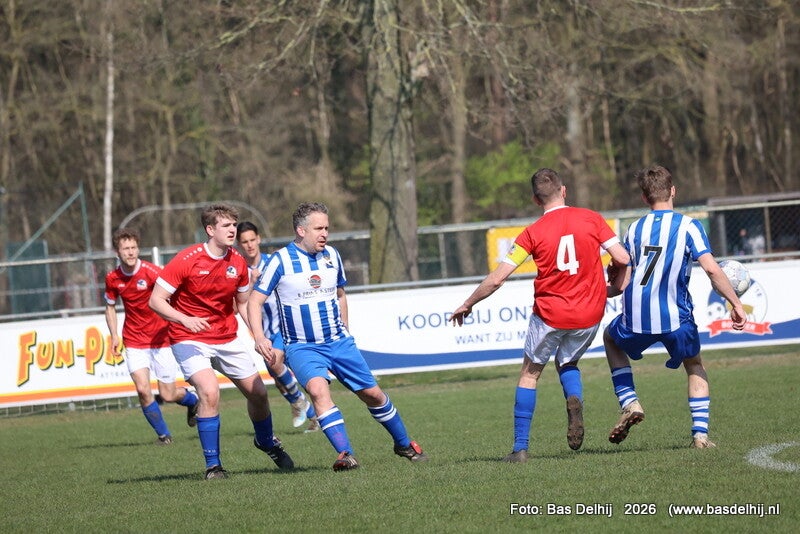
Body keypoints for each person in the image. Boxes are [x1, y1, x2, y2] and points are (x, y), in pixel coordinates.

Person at [450, 168, 630, 463]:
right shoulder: (592, 219)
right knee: (567, 362)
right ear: (564, 190)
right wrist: (614, 286)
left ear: (535, 200)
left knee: (530, 374)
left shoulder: (531, 233)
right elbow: (622, 258)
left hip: (550, 314)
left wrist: (468, 303)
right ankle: (573, 398)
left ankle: (520, 449)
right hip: (589, 312)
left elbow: (497, 279)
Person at [246, 202, 428, 471]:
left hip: (339, 342)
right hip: (302, 347)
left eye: (327, 228)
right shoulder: (280, 261)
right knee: (318, 392)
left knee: (373, 394)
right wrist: (260, 338)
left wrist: (346, 327)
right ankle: (346, 454)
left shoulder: (332, 255)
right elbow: (254, 301)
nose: (325, 234)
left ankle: (403, 444)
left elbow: (341, 294)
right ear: (301, 230)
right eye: (318, 228)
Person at [603, 165, 747, 449]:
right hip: (676, 319)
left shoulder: (634, 229)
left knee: (610, 338)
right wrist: (736, 303)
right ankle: (700, 436)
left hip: (636, 318)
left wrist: (601, 288)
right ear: (673, 191)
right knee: (694, 365)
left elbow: (621, 279)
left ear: (644, 198)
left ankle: (630, 401)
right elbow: (712, 269)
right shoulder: (689, 226)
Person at [149, 204, 294, 480]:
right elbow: (156, 300)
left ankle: (266, 442)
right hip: (188, 337)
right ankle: (213, 467)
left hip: (226, 336)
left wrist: (258, 336)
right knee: (209, 392)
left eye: (234, 225)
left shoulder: (237, 262)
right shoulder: (187, 259)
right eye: (226, 226)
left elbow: (244, 304)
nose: (232, 230)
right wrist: (184, 319)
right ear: (210, 229)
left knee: (259, 394)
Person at [104, 228, 199, 445]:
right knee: (142, 390)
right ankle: (164, 436)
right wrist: (114, 335)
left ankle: (192, 400)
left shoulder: (152, 272)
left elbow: (173, 295)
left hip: (161, 339)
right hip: (134, 341)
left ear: (138, 249)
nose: (130, 252)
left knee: (167, 394)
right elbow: (109, 307)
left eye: (133, 247)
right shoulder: (113, 278)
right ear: (117, 252)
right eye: (125, 249)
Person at [236, 221, 317, 431]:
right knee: (278, 379)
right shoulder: (239, 271)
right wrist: (250, 284)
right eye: (244, 242)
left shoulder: (272, 261)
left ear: (258, 239)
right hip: (263, 332)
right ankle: (311, 414)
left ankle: (301, 402)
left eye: (252, 240)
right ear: (239, 244)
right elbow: (236, 307)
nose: (249, 245)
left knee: (276, 363)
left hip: (284, 325)